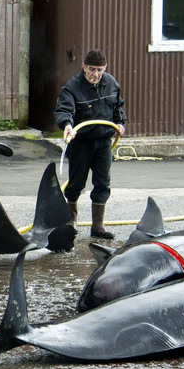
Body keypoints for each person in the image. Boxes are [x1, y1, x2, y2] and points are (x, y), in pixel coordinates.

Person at [54, 49, 126, 239]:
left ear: (105, 69)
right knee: (76, 183)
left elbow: (118, 108)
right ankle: (71, 221)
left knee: (103, 183)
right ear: (84, 67)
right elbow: (64, 110)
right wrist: (68, 125)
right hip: (81, 143)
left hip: (103, 143)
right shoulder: (72, 87)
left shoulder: (111, 84)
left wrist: (120, 124)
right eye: (91, 69)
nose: (95, 74)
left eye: (99, 70)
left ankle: (98, 227)